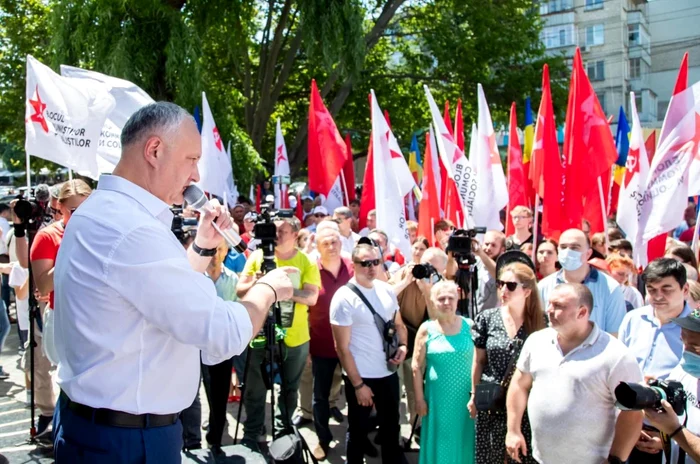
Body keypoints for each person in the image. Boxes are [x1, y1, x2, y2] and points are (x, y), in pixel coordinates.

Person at [52, 102, 295, 462]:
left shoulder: (106, 211)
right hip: (128, 441)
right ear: (154, 150)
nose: (197, 175)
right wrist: (269, 288)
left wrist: (202, 246)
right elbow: (219, 331)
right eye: (192, 159)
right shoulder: (132, 228)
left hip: (105, 428)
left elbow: (152, 293)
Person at [506, 283, 643, 464]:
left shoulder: (615, 354)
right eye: (549, 304)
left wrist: (616, 460)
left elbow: (633, 412)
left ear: (582, 312)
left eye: (558, 306)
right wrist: (513, 429)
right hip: (542, 460)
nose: (549, 310)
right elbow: (519, 384)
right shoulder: (536, 341)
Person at [236, 216, 321, 451]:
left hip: (295, 338)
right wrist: (262, 284)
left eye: (282, 231)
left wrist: (281, 290)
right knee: (254, 388)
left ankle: (282, 433)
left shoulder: (306, 262)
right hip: (260, 335)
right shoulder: (257, 256)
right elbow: (240, 290)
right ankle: (252, 435)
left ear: (295, 235)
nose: (277, 235)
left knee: (289, 389)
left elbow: (312, 297)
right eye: (274, 231)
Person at [330, 243, 408, 463]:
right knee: (358, 433)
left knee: (391, 431)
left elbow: (399, 325)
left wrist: (403, 346)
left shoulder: (386, 290)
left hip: (388, 373)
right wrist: (358, 385)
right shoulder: (343, 298)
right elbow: (341, 348)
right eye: (365, 263)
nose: (372, 267)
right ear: (354, 265)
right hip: (362, 378)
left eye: (376, 262)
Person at [469, 262, 545, 464]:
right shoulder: (487, 318)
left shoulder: (541, 323)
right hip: (491, 401)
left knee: (522, 457)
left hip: (526, 404)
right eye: (500, 284)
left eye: (511, 285)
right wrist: (473, 395)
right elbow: (479, 360)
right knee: (489, 457)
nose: (503, 290)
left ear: (527, 291)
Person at [617, 258, 691, 464]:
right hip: (627, 424)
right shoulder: (633, 320)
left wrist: (670, 436)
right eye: (652, 289)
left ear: (684, 290)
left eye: (666, 289)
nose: (658, 296)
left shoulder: (694, 330)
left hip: (672, 432)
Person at [412, 280, 475, 464]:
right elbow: (416, 366)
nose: (447, 302)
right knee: (442, 439)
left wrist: (475, 393)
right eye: (441, 298)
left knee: (464, 439)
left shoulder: (469, 326)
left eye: (451, 298)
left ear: (457, 300)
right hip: (437, 400)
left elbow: (478, 362)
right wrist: (419, 399)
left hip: (465, 399)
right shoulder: (427, 329)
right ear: (433, 302)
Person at [305, 226, 353, 460]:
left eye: (334, 242)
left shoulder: (353, 268)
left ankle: (358, 440)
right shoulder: (311, 269)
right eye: (326, 243)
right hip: (321, 344)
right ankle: (323, 439)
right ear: (317, 247)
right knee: (320, 396)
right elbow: (303, 309)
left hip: (353, 346)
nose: (331, 247)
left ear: (341, 243)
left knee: (356, 393)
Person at [390, 247, 448, 428]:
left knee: (415, 387)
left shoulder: (443, 286)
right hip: (396, 339)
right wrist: (407, 281)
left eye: (433, 269)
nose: (427, 271)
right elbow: (384, 296)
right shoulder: (406, 273)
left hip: (419, 341)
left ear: (442, 272)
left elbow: (437, 320)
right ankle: (392, 430)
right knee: (393, 388)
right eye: (425, 265)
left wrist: (427, 291)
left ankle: (416, 424)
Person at [538, 228, 626, 336]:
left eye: (575, 248)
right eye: (563, 247)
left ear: (588, 253)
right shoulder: (543, 287)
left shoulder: (611, 288)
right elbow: (538, 329)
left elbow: (615, 334)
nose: (568, 252)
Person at [642, 308, 700, 463]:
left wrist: (675, 431)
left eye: (695, 346)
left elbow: (676, 429)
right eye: (683, 342)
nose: (686, 352)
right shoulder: (684, 372)